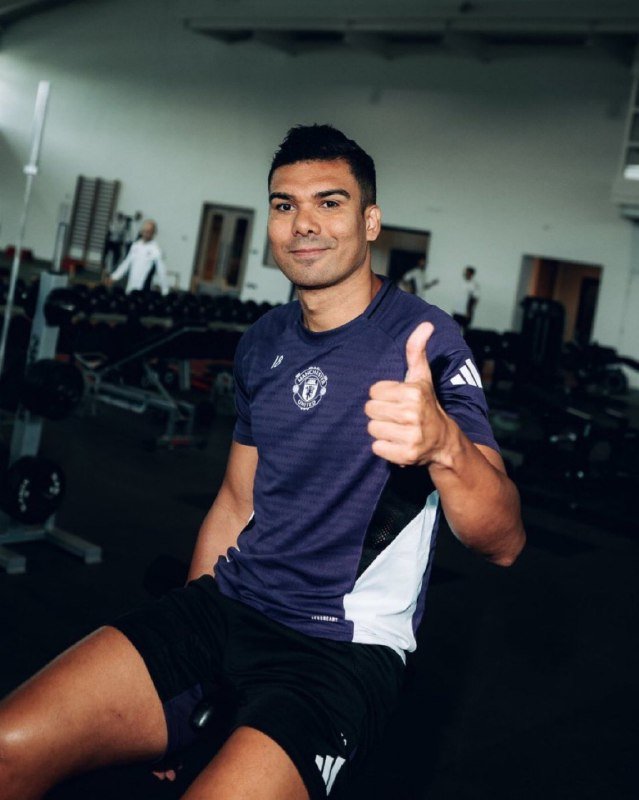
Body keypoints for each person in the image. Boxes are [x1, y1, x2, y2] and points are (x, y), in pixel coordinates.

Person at [0, 124, 525, 800]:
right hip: (226, 606)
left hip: (337, 650)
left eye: (329, 202)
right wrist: (189, 670)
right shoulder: (262, 341)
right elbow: (234, 502)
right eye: (284, 205)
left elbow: (503, 542)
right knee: (10, 747)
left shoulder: (424, 342)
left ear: (369, 222)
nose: (304, 223)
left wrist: (444, 446)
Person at [108, 218, 169, 295]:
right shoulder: (135, 245)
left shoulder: (156, 250)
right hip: (130, 286)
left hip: (144, 289)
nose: (146, 233)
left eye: (149, 231)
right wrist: (114, 277)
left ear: (153, 233)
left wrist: (165, 290)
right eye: (144, 231)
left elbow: (161, 271)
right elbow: (126, 263)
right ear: (141, 231)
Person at [452, 265, 480, 332]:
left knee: (466, 331)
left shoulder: (474, 285)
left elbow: (475, 299)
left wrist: (469, 312)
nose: (465, 273)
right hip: (457, 311)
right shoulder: (461, 283)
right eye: (465, 272)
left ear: (471, 274)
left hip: (465, 313)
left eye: (467, 272)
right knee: (454, 330)